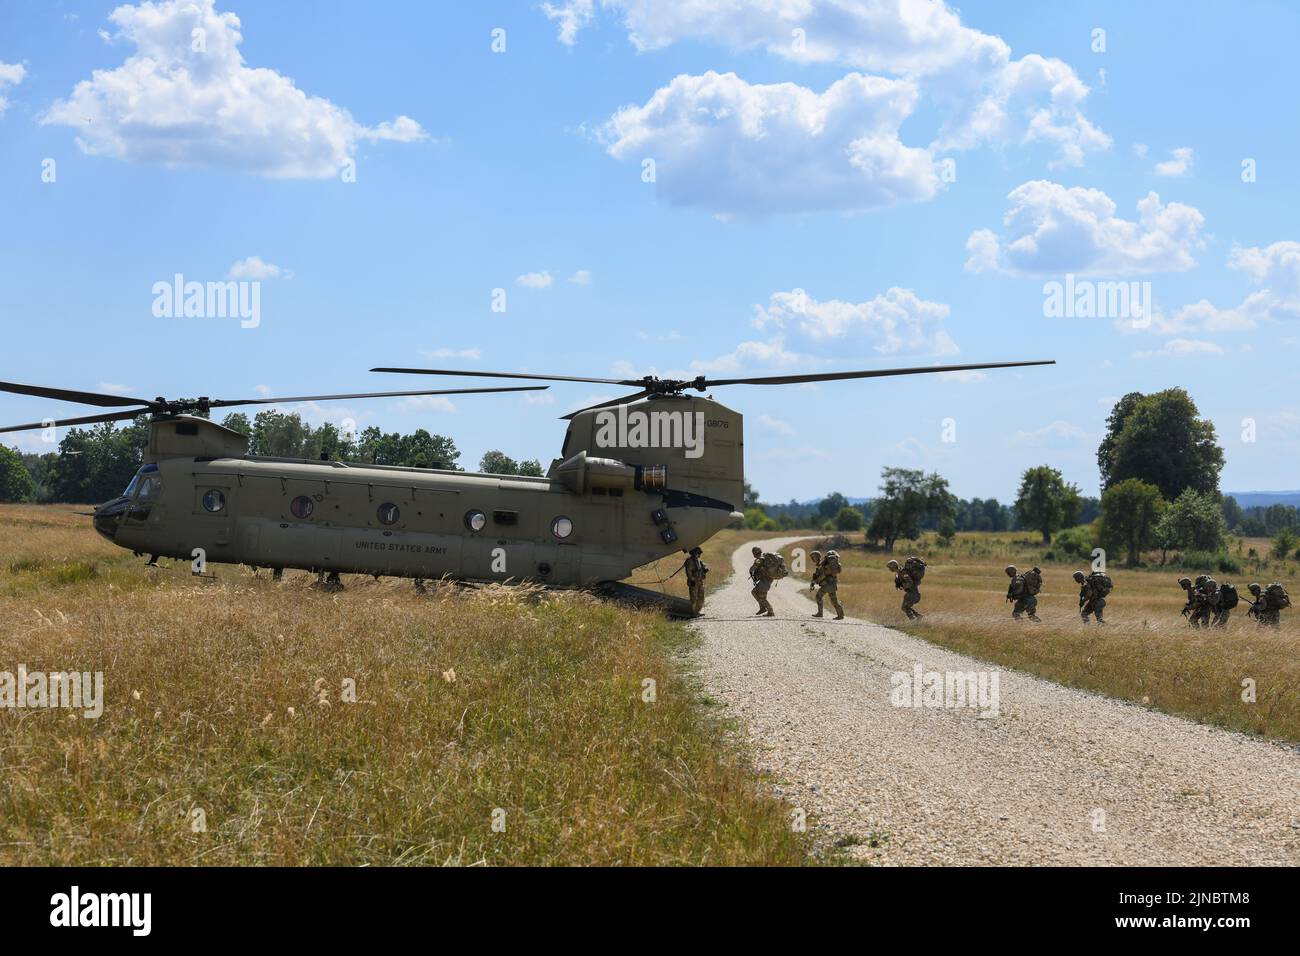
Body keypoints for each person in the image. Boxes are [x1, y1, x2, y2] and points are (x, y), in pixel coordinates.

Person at [812, 549, 845, 619]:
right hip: (832, 584)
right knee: (834, 600)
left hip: (827, 584)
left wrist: (816, 581)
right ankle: (840, 615)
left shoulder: (823, 564)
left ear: (817, 557)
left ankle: (820, 613)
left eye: (813, 557)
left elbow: (822, 575)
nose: (813, 559)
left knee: (818, 596)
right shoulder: (824, 564)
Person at [749, 545, 775, 617]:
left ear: (754, 553)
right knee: (758, 593)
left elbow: (753, 568)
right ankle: (762, 608)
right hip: (766, 579)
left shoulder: (759, 559)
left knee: (758, 594)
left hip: (765, 580)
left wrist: (751, 569)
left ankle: (771, 611)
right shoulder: (764, 558)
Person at [682, 547, 708, 616]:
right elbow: (688, 572)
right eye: (698, 553)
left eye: (699, 553)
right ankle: (693, 613)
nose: (699, 555)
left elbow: (701, 568)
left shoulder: (698, 560)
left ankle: (697, 611)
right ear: (694, 553)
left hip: (700, 581)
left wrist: (704, 570)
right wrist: (692, 580)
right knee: (693, 598)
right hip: (694, 582)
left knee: (701, 597)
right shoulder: (690, 561)